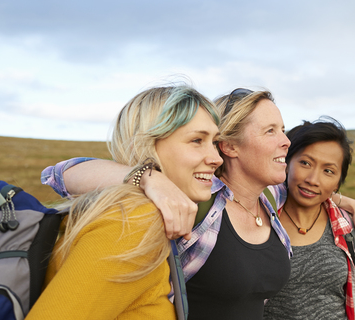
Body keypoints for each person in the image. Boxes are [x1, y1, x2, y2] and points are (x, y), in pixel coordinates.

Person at [41, 88, 355, 319]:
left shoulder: (269, 198)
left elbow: (310, 187)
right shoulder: (195, 199)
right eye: (270, 131)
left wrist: (349, 203)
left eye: (283, 129)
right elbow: (60, 174)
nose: (287, 142)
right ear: (230, 146)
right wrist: (150, 178)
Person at [27, 84, 223, 319]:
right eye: (196, 140)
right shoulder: (133, 222)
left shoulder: (139, 214)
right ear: (147, 144)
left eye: (214, 142)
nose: (216, 158)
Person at [263, 118, 355, 320]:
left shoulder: (348, 227)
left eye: (328, 171)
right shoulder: (259, 214)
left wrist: (354, 206)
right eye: (305, 163)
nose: (313, 180)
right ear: (287, 163)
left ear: (337, 182)